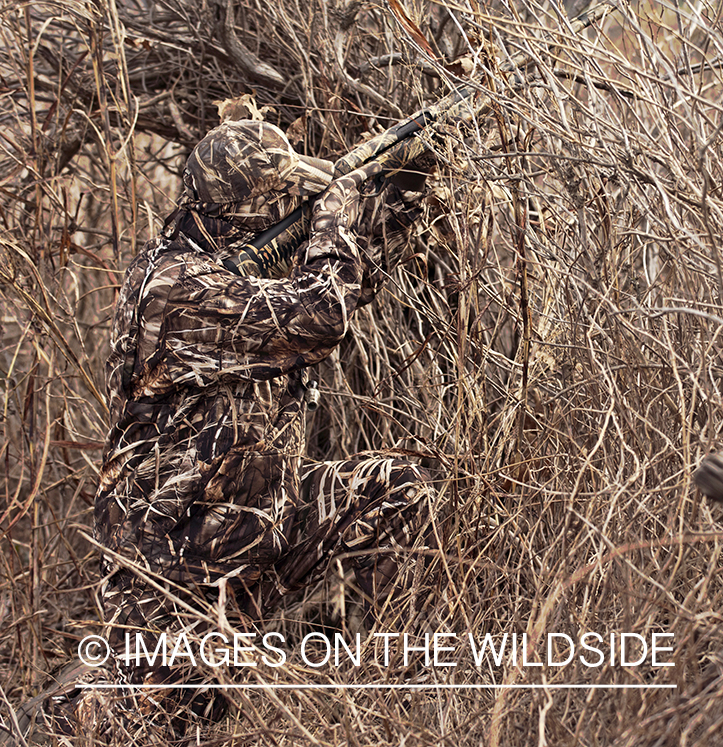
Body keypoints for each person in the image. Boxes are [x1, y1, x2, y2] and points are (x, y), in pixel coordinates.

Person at [11, 119, 436, 743]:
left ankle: (349, 685)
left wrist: (407, 189)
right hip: (179, 556)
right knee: (150, 722)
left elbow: (346, 283)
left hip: (260, 519)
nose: (291, 208)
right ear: (239, 212)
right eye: (277, 201)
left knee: (397, 489)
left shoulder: (223, 269)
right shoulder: (176, 290)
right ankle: (70, 706)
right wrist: (332, 222)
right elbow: (321, 317)